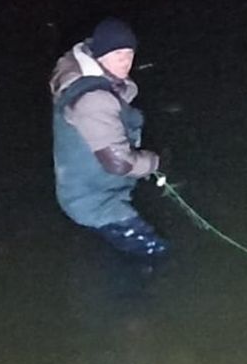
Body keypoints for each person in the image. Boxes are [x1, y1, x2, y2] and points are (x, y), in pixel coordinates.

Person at [49, 17, 168, 257]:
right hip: (94, 202)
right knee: (156, 253)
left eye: (129, 53)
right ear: (100, 55)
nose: (125, 61)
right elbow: (118, 163)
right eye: (117, 54)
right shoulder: (94, 99)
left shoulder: (93, 79)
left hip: (91, 191)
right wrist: (155, 162)